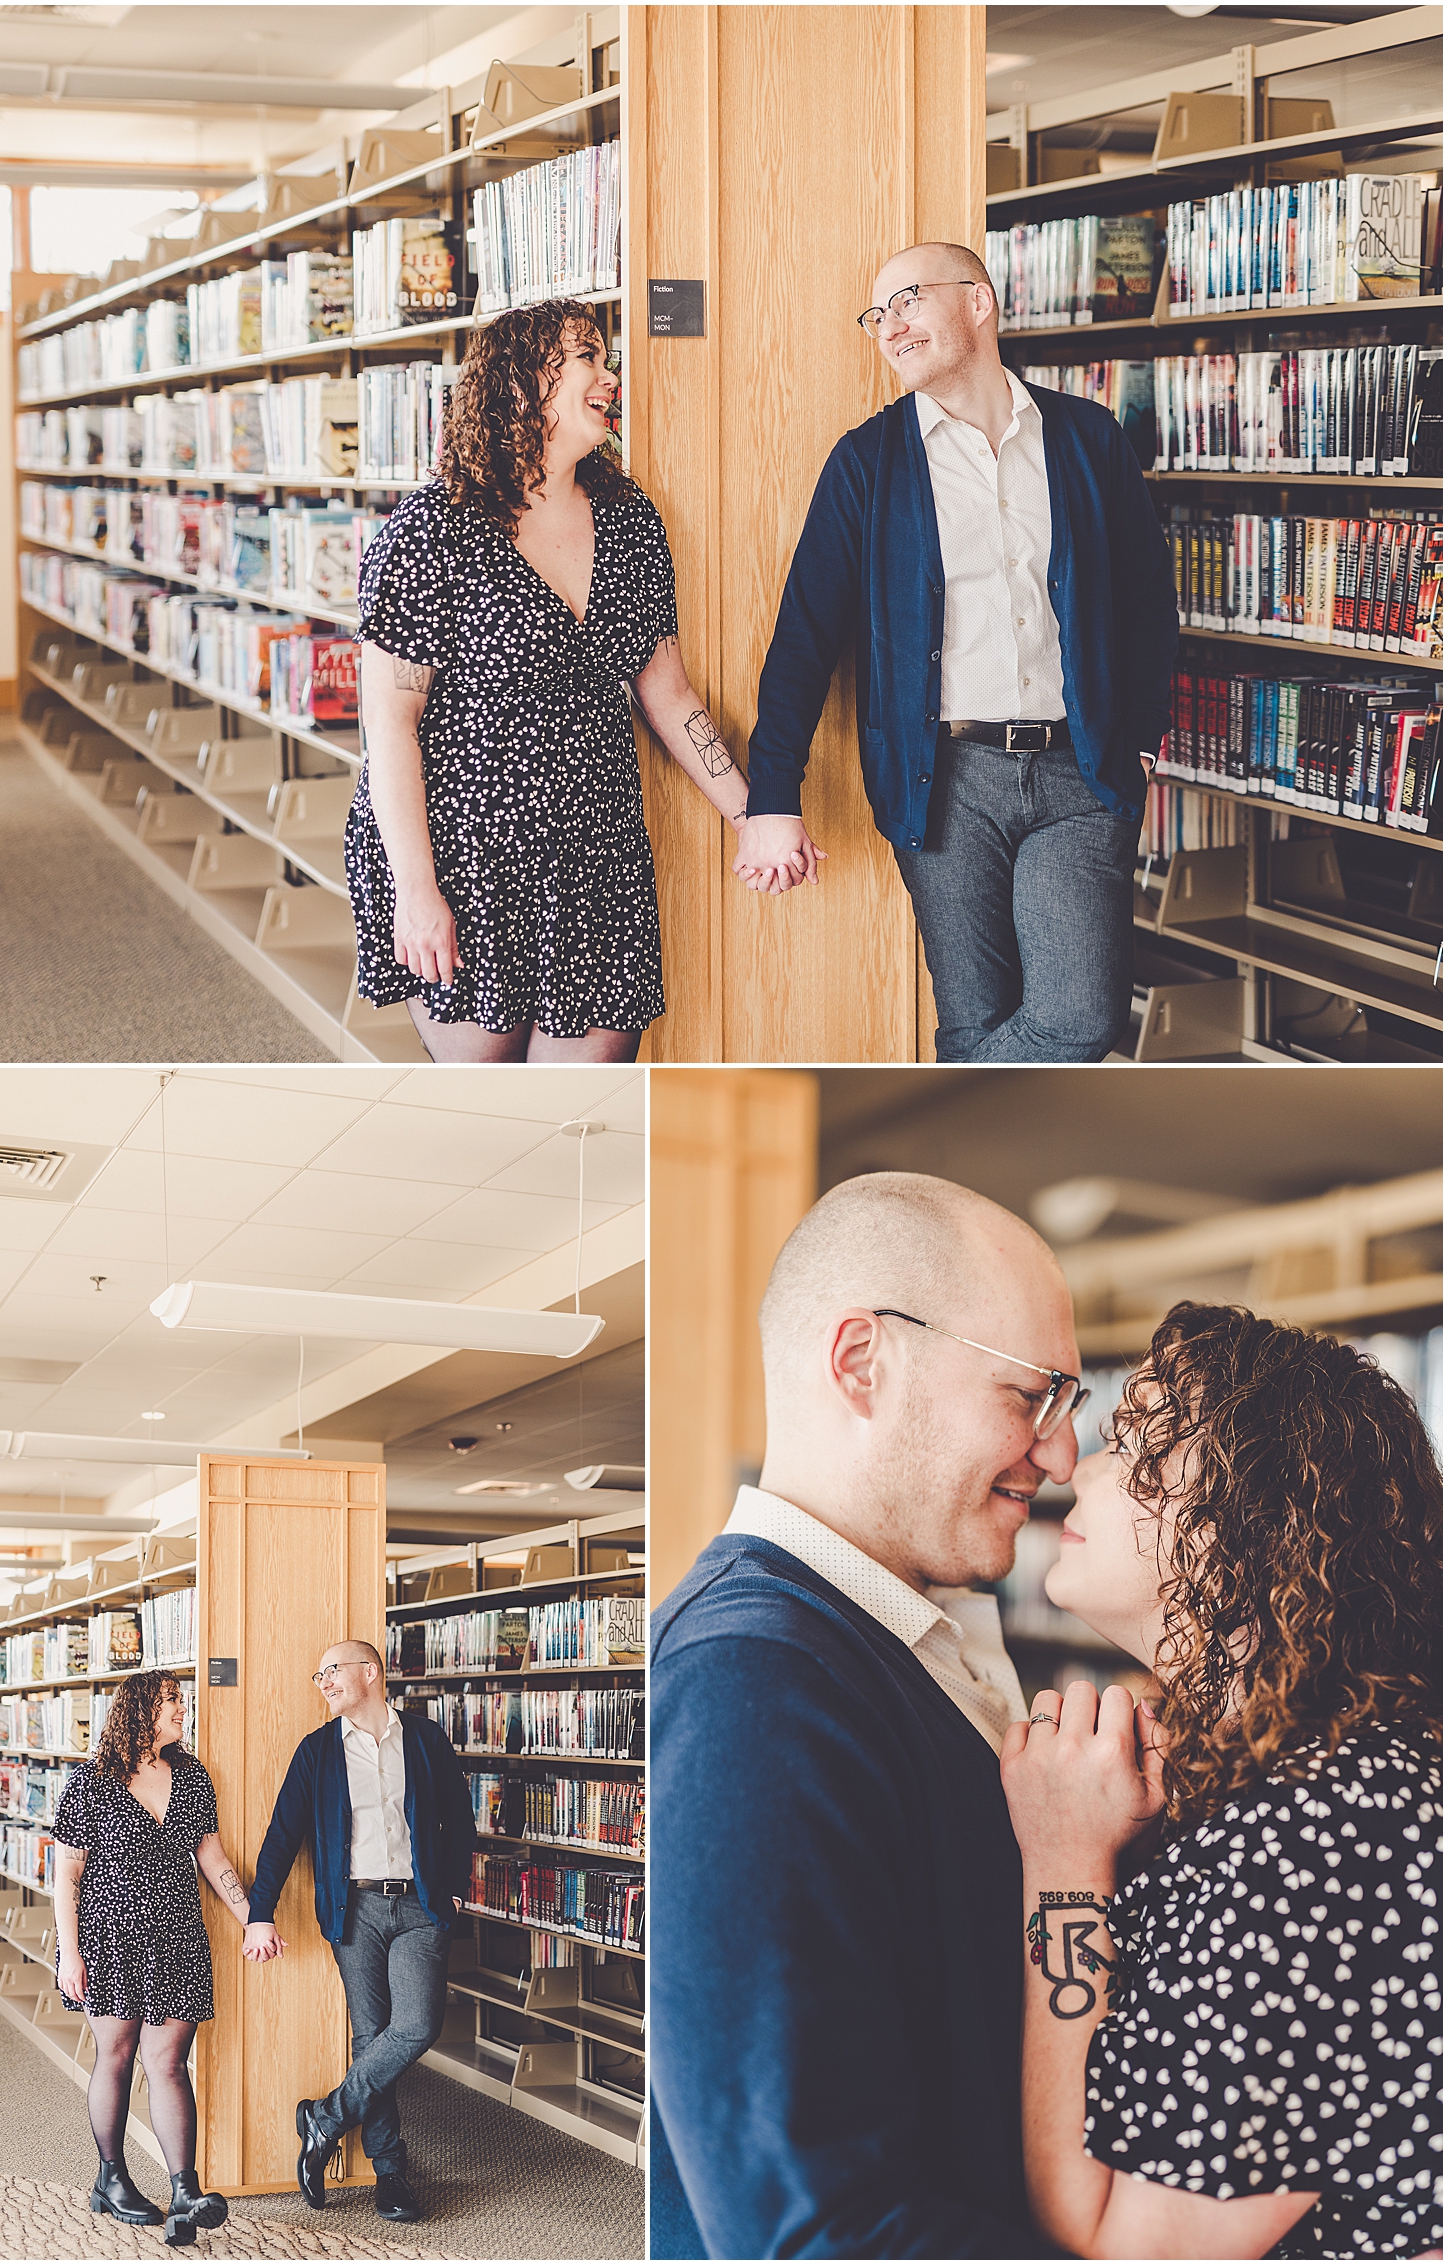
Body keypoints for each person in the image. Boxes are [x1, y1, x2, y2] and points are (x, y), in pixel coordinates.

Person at [650, 1170, 1089, 2257]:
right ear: (861, 1362)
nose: (1062, 1452)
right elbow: (815, 2230)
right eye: (1029, 1395)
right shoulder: (755, 1678)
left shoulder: (898, 1631)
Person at [1001, 1302, 1442, 2261]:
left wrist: (1065, 1858)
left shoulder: (1328, 1830)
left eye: (1141, 1448)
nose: (1078, 1466)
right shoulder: (1315, 1778)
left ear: (1249, 1525)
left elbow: (1124, 2241)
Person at [735, 241, 1179, 1063]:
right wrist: (771, 799)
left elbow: (1151, 599)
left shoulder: (1086, 438)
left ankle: (947, 1127)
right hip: (943, 782)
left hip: (1079, 772)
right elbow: (805, 636)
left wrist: (1143, 739)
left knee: (1081, 1019)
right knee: (973, 1021)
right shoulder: (867, 461)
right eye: (877, 315)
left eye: (908, 301)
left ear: (978, 302)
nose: (889, 327)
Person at [344, 298, 753, 1063]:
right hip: (469, 862)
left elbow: (667, 690)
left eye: (606, 358)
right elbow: (391, 725)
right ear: (524, 382)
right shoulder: (431, 531)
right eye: (589, 358)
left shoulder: (630, 521)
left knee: (589, 1111)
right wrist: (416, 890)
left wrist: (752, 814)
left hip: (596, 861)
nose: (610, 375)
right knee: (496, 1121)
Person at [243, 1639, 474, 2224]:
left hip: (419, 1906)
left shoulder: (424, 1739)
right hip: (355, 1910)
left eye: (332, 1671)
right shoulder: (318, 1751)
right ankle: (390, 2173)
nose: (322, 1682)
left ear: (369, 1673)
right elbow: (281, 1836)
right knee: (372, 2038)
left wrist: (452, 1889)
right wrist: (259, 1913)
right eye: (317, 1674)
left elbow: (458, 1818)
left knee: (417, 2025)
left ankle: (324, 2117)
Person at [52, 1670, 252, 2245]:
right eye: (171, 1702)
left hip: (179, 1938)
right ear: (139, 1709)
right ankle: (111, 2178)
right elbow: (65, 1877)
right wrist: (70, 1954)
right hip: (109, 1939)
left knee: (168, 2062)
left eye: (182, 1702)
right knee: (114, 2055)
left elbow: (212, 1857)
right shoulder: (90, 1782)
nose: (181, 1711)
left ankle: (184, 2190)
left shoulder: (190, 1775)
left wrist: (251, 1919)